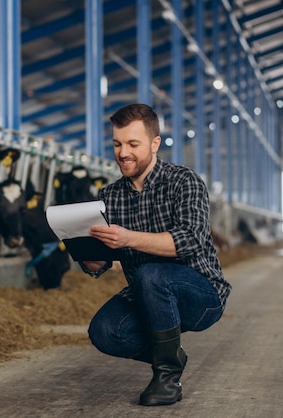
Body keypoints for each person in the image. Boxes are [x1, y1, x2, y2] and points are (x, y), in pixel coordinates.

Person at [80, 103, 231, 406]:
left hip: (201, 296)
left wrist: (128, 238)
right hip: (147, 294)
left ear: (154, 143)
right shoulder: (109, 196)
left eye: (133, 144)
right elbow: (100, 264)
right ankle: (170, 352)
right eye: (117, 144)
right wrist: (83, 250)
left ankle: (167, 376)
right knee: (104, 331)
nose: (123, 153)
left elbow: (189, 240)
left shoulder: (184, 181)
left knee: (152, 273)